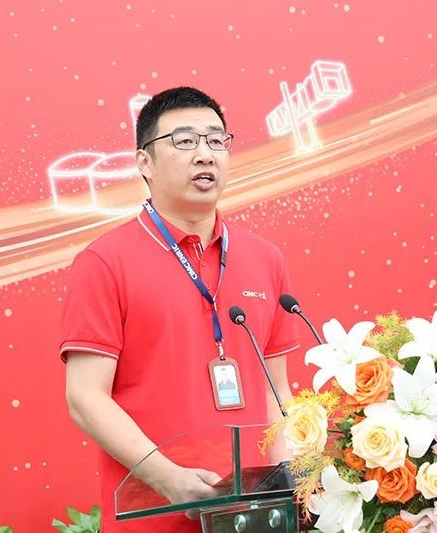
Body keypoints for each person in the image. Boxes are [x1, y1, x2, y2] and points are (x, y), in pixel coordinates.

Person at [59, 86, 299, 532]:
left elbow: (277, 390)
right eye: (184, 141)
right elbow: (85, 397)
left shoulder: (265, 258)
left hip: (256, 517)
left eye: (216, 140)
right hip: (154, 519)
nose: (205, 154)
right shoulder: (104, 263)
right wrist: (168, 479)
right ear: (144, 162)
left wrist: (292, 488)